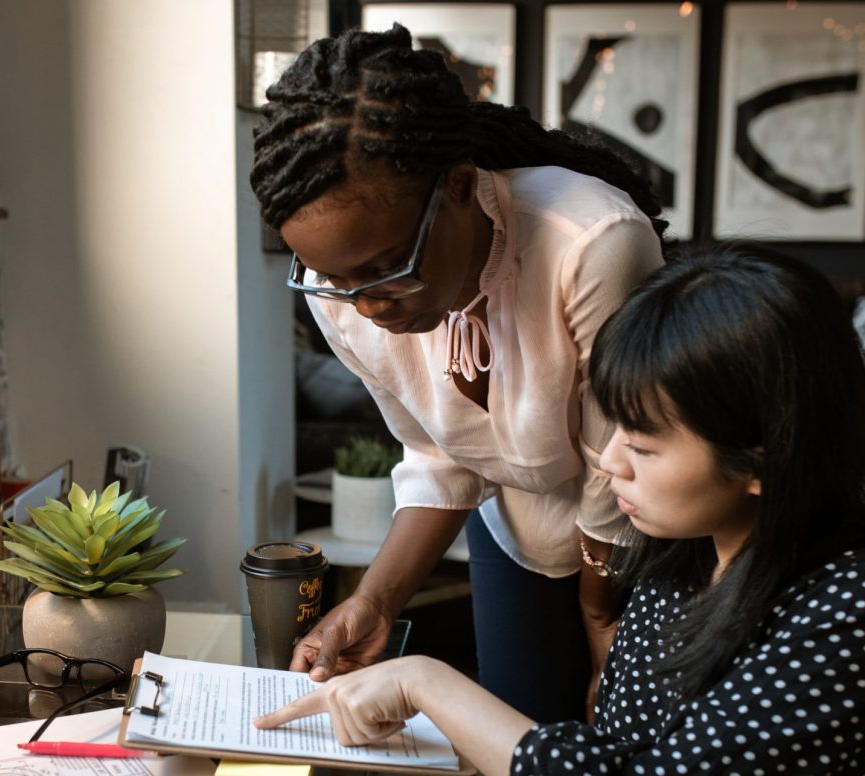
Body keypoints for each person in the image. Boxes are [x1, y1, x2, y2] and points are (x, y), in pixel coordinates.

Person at [254, 248, 865, 774]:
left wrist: (425, 683)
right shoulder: (686, 557)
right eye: (617, 427)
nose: (610, 461)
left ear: (759, 461)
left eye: (645, 445)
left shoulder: (843, 617)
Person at [250, 23, 666, 721]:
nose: (368, 304)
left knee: (628, 733)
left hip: (646, 532)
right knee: (522, 732)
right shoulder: (343, 295)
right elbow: (441, 455)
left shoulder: (590, 245)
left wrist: (602, 630)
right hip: (514, 527)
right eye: (334, 278)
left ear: (460, 184)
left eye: (388, 267)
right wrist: (375, 600)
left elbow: (616, 466)